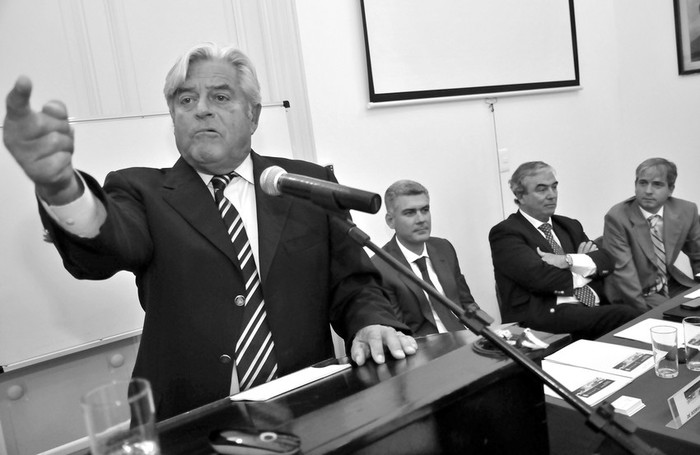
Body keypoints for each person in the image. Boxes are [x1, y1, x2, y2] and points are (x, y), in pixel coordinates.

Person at [2, 42, 416, 420]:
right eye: (187, 99)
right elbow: (108, 245)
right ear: (173, 116)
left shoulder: (304, 184)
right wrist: (61, 188)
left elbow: (354, 283)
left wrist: (371, 322)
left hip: (305, 409)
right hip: (189, 421)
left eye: (220, 96)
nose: (201, 109)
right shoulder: (141, 190)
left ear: (252, 114)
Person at [488, 161, 640, 340]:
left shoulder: (569, 225)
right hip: (545, 315)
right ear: (520, 196)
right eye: (542, 189)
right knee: (627, 316)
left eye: (554, 187)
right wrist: (585, 266)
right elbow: (542, 279)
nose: (552, 195)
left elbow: (606, 261)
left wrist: (568, 261)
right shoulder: (506, 233)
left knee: (644, 314)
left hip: (591, 307)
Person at [371, 180, 479, 336]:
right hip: (426, 350)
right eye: (410, 212)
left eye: (425, 210)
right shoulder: (379, 267)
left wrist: (486, 336)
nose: (421, 219)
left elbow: (467, 303)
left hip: (466, 339)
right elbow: (398, 332)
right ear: (390, 221)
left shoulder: (444, 248)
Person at [603, 158, 700, 312]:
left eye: (657, 184)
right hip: (638, 293)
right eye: (642, 183)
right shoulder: (617, 217)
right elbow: (625, 277)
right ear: (635, 185)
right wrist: (650, 315)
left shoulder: (686, 210)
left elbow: (698, 255)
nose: (648, 191)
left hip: (671, 284)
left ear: (671, 189)